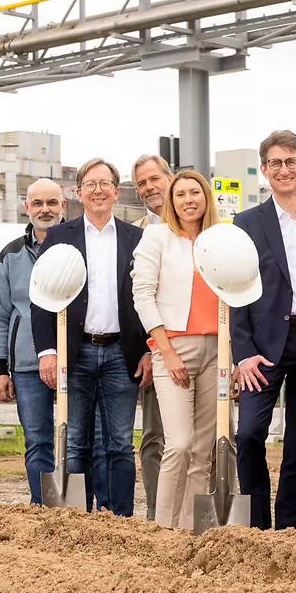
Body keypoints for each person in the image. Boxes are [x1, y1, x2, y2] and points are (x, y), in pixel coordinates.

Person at [230, 131, 296, 530]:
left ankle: (288, 525)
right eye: (275, 163)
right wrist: (242, 352)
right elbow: (235, 289)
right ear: (264, 171)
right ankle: (257, 524)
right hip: (264, 346)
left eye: (290, 161)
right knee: (250, 435)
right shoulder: (246, 223)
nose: (283, 169)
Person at [31, 157, 150, 516]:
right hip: (75, 353)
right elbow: (41, 297)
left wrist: (147, 349)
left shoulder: (136, 238)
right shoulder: (59, 236)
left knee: (119, 444)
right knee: (76, 442)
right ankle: (76, 519)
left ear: (117, 191)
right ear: (78, 192)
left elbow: (147, 296)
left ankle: (119, 518)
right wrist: (47, 351)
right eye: (90, 184)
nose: (98, 191)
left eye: (105, 184)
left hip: (121, 353)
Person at [132, 170, 222, 529]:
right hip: (174, 348)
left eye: (195, 192)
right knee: (179, 444)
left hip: (216, 348)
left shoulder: (219, 239)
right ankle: (164, 529)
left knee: (203, 450)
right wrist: (165, 351)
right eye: (181, 193)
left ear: (206, 198)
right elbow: (143, 294)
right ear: (172, 199)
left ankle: (191, 531)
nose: (189, 200)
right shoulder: (157, 237)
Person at [0, 178, 64, 504]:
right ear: (27, 207)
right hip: (25, 364)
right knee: (37, 440)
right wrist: (0, 368)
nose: (45, 210)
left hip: (73, 361)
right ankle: (44, 506)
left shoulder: (78, 247)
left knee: (77, 440)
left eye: (51, 203)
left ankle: (78, 510)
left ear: (63, 206)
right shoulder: (10, 256)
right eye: (38, 203)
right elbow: (1, 315)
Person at [131, 153, 171, 520]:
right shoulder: (136, 233)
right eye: (141, 183)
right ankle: (159, 514)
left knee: (211, 436)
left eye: (154, 179)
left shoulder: (206, 224)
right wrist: (146, 348)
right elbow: (136, 300)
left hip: (201, 345)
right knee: (154, 436)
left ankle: (204, 513)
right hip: (155, 350)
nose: (149, 188)